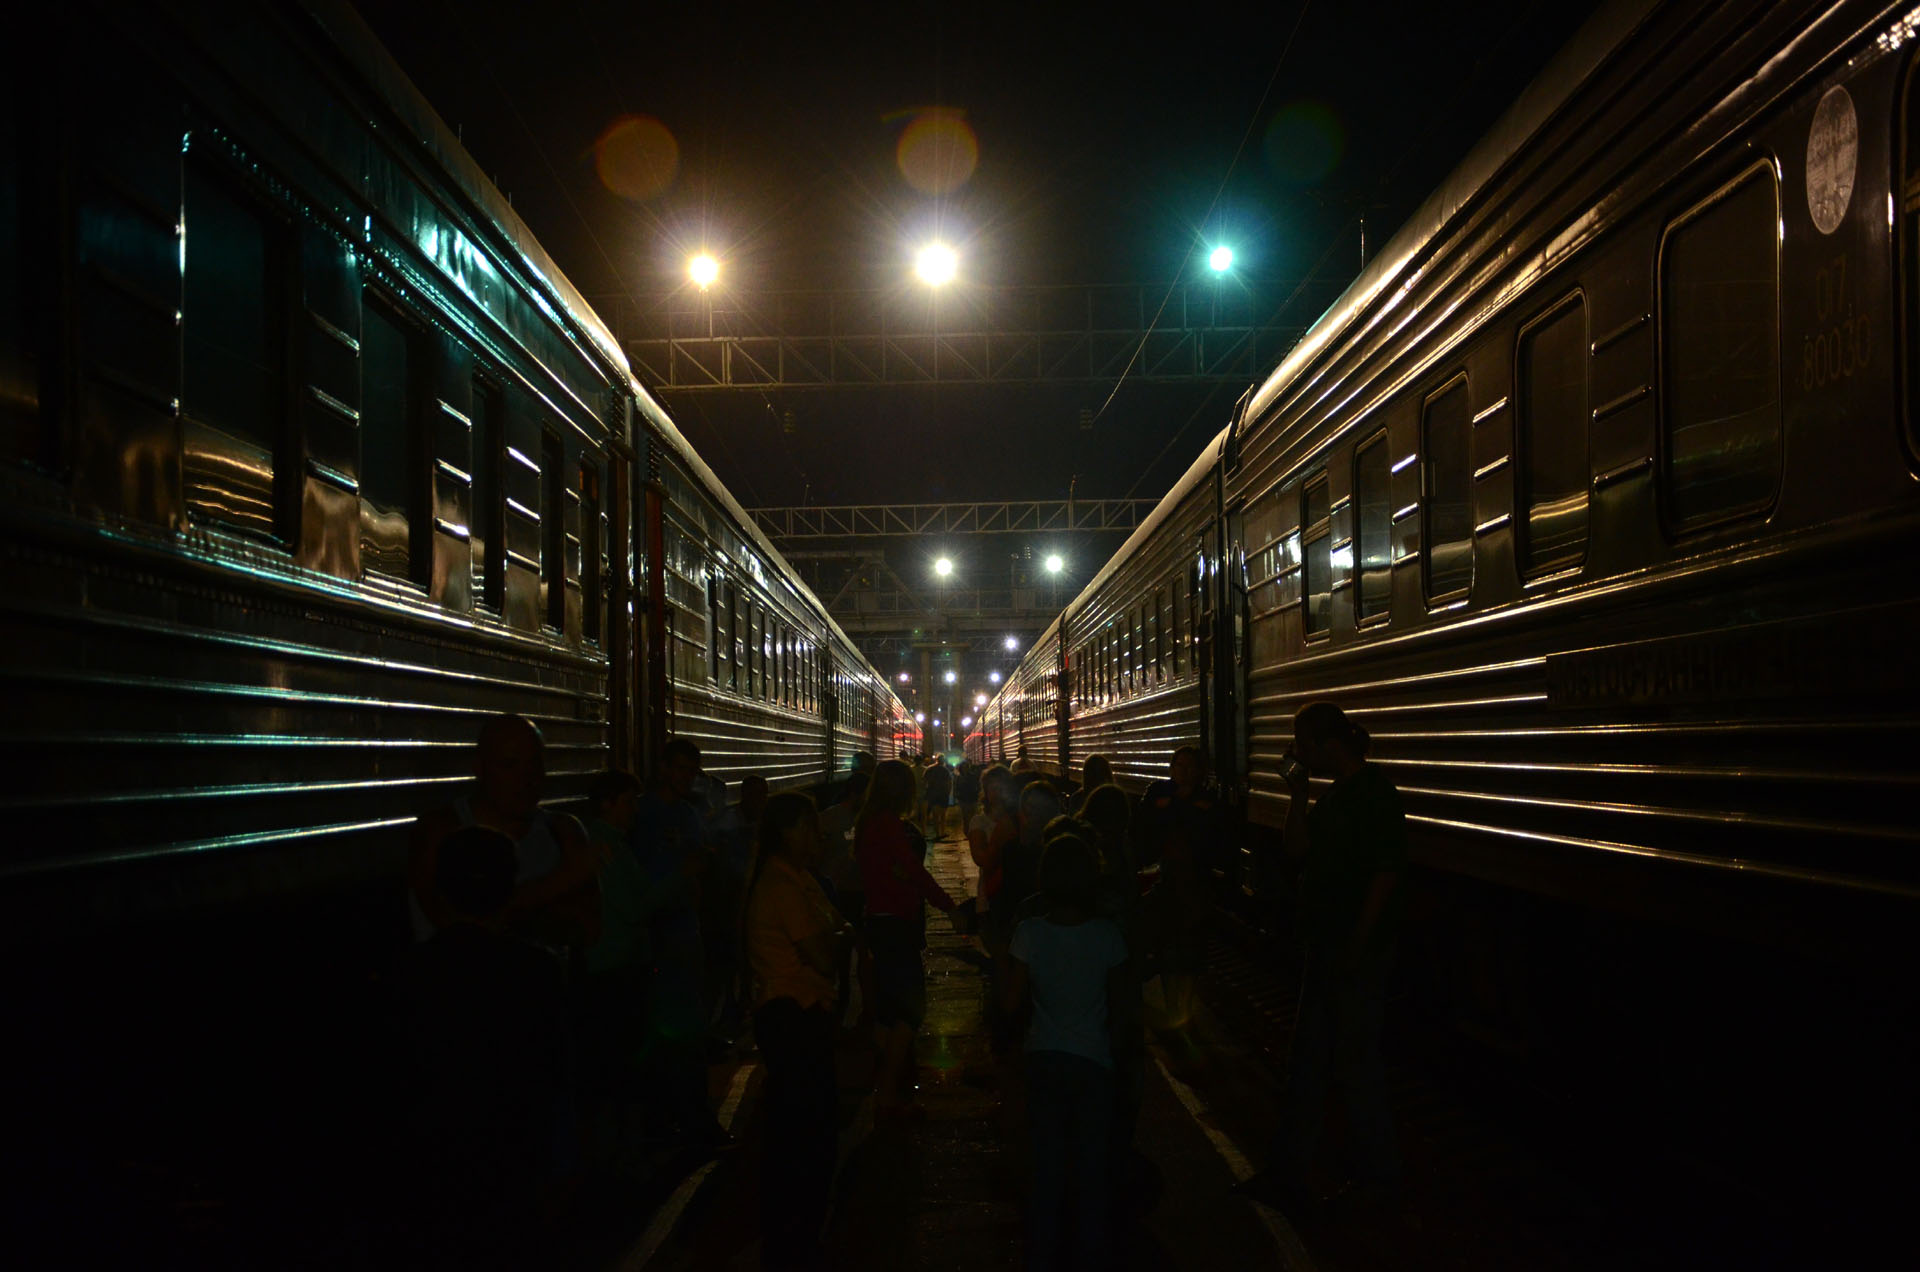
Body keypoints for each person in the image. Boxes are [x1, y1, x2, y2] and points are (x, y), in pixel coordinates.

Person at [1243, 702, 1406, 1210]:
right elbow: (1296, 851)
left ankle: (1379, 1178)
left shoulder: (1374, 794)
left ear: (1325, 744)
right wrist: (1297, 794)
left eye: (1301, 743)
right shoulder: (1333, 796)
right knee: (1311, 1063)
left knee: (1352, 1064)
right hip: (1327, 945)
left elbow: (1386, 872)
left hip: (1352, 950)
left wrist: (1360, 940)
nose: (1295, 752)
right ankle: (1292, 1171)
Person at [400, 825, 572, 1263]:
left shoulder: (411, 972)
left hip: (435, 1157)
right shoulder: (535, 970)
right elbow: (553, 1072)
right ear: (508, 889)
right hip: (513, 1153)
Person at [1004, 835, 1134, 1271]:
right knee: (1091, 1168)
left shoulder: (1028, 933)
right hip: (1094, 1062)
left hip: (1043, 1058)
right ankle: (1090, 1252)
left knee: (1046, 1167)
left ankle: (1042, 1252)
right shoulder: (1108, 936)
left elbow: (1010, 1003)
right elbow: (1121, 1008)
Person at [744, 793, 851, 1269]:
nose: (818, 835)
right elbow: (826, 954)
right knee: (803, 1134)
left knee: (805, 1130)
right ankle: (793, 1239)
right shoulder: (783, 886)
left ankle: (795, 1233)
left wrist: (837, 935)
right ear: (787, 832)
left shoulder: (798, 877)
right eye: (808, 827)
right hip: (792, 1016)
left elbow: (835, 930)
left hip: (804, 1012)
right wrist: (841, 938)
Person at [409, 714, 597, 950]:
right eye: (510, 764)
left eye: (535, 764)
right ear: (479, 768)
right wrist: (558, 884)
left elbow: (587, 931)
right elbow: (457, 929)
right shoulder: (441, 830)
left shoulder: (563, 831)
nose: (526, 778)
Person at [633, 736, 731, 1151]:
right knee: (670, 1031)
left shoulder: (688, 814)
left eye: (691, 771)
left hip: (684, 927)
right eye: (679, 769)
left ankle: (677, 1117)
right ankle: (679, 1119)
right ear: (663, 768)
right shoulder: (642, 814)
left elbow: (700, 859)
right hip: (656, 930)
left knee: (685, 1026)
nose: (686, 778)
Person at [855, 758, 958, 1118]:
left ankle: (885, 1086)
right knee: (912, 1009)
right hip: (896, 924)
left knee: (887, 1011)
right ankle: (887, 1090)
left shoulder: (869, 822)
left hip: (879, 922)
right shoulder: (888, 825)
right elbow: (914, 872)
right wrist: (948, 906)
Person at [1133, 747, 1224, 1028]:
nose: (1183, 771)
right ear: (1171, 768)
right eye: (1179, 765)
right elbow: (1144, 826)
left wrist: (1171, 808)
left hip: (1195, 885)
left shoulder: (1189, 799)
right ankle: (1176, 1009)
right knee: (1170, 950)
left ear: (1199, 771)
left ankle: (1183, 1008)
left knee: (1191, 951)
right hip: (1169, 882)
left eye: (1189, 766)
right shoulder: (1173, 796)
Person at [818, 772, 872, 1026]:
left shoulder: (869, 819)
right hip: (836, 892)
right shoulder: (829, 818)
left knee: (863, 948)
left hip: (860, 891)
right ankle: (839, 997)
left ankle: (862, 1005)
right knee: (838, 949)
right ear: (856, 794)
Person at [923, 756, 953, 840]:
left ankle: (937, 833)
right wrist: (948, 792)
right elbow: (949, 782)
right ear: (943, 761)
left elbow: (924, 780)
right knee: (943, 814)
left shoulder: (929, 769)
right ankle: (942, 832)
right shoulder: (945, 770)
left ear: (936, 760)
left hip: (933, 794)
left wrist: (928, 789)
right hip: (943, 794)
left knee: (935, 815)